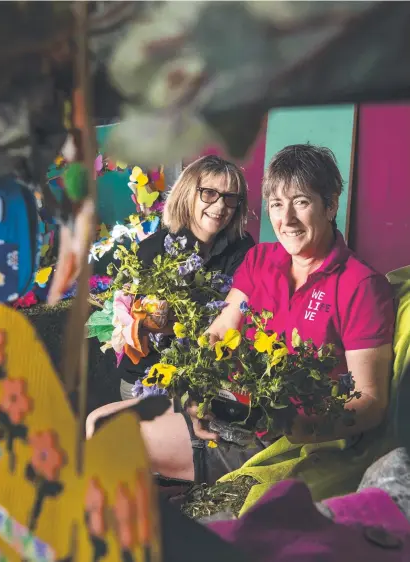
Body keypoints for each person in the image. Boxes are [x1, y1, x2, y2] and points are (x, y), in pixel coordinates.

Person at [86, 144, 395, 488]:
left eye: (301, 202)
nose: (287, 219)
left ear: (331, 204)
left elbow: (370, 401)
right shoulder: (259, 260)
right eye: (277, 205)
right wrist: (197, 394)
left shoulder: (361, 285)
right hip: (234, 414)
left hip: (281, 439)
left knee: (105, 439)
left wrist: (305, 426)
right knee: (97, 421)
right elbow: (217, 334)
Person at [93, 154, 255, 403]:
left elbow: (238, 313)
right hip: (148, 379)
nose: (221, 206)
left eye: (230, 198)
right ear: (188, 193)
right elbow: (140, 325)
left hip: (205, 379)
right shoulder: (153, 250)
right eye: (209, 193)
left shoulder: (242, 248)